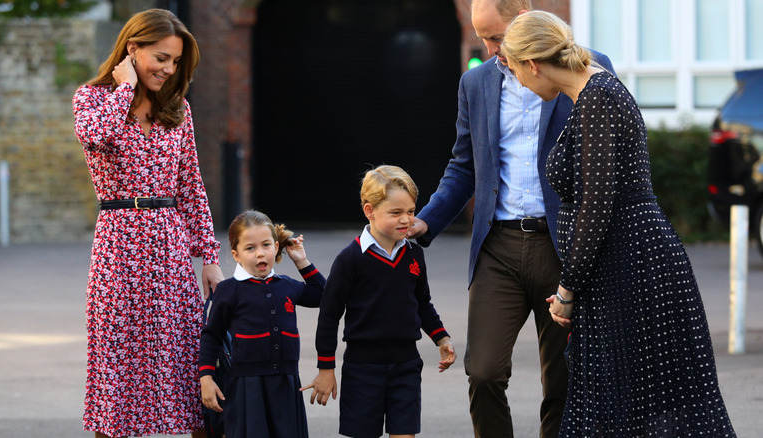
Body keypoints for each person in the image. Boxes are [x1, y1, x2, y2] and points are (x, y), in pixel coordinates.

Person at [501, 10, 737, 437]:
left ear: (533, 64)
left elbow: (596, 205)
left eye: (515, 69)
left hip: (629, 267)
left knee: (631, 406)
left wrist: (567, 290)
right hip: (622, 265)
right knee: (627, 405)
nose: (518, 81)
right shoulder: (593, 92)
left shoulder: (596, 96)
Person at [405, 1, 614, 437]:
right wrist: (425, 222)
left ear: (523, 12)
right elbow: (464, 166)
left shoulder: (588, 68)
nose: (490, 48)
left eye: (497, 37)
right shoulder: (475, 82)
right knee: (482, 371)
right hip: (497, 247)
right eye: (483, 38)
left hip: (563, 246)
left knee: (563, 381)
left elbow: (603, 165)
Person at [73, 9, 224, 438]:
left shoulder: (177, 110)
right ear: (132, 48)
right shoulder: (92, 98)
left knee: (187, 365)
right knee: (116, 369)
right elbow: (94, 136)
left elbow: (192, 188)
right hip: (117, 246)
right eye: (161, 57)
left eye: (175, 62)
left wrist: (209, 258)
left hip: (169, 247)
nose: (169, 69)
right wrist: (124, 89)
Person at [302, 165, 456, 438]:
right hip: (362, 368)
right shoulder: (350, 259)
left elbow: (422, 303)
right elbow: (329, 316)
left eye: (410, 211)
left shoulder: (414, 256)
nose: (406, 220)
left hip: (406, 364)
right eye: (395, 213)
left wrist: (442, 339)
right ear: (369, 211)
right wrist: (326, 368)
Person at [199, 210, 326, 438]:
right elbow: (212, 335)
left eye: (266, 245)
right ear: (236, 255)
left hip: (286, 384)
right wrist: (206, 379)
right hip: (247, 388)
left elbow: (324, 296)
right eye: (250, 248)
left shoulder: (287, 286)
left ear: (276, 247)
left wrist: (302, 261)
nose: (260, 254)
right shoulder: (229, 291)